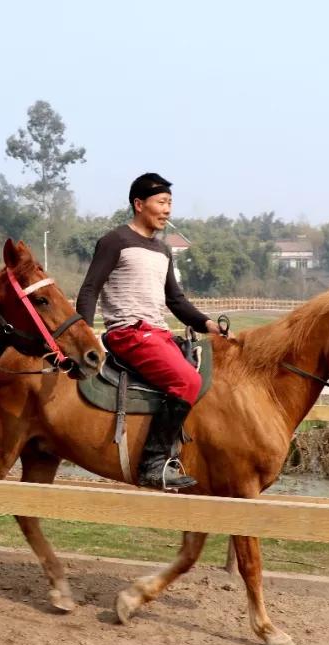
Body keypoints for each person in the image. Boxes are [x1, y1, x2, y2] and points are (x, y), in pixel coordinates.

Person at [76, 173, 220, 490]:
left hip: (159, 334)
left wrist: (207, 324)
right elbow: (90, 289)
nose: (167, 210)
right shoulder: (115, 241)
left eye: (170, 203)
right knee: (187, 380)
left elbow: (176, 300)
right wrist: (83, 334)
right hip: (128, 333)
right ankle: (153, 465)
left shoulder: (162, 251)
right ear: (139, 204)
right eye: (161, 202)